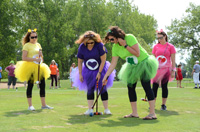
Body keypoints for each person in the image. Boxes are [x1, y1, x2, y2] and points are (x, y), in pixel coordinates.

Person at [102, 26, 158, 120]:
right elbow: (113, 64)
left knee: (146, 86)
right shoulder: (115, 47)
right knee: (130, 87)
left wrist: (125, 45)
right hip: (132, 65)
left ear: (117, 36)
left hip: (144, 63)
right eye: (109, 40)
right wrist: (106, 76)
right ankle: (134, 113)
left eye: (112, 39)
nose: (111, 41)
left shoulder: (129, 37)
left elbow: (137, 54)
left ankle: (152, 113)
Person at [73, 31, 116, 115]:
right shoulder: (82, 47)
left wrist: (99, 73)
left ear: (95, 40)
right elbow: (79, 61)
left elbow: (103, 60)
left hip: (101, 68)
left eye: (91, 42)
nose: (89, 44)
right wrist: (80, 73)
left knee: (103, 89)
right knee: (90, 89)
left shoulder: (99, 45)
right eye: (87, 43)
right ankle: (90, 109)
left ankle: (106, 109)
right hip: (88, 70)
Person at [14, 28, 53, 111]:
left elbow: (41, 58)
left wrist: (41, 55)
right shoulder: (26, 45)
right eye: (32, 37)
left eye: (35, 37)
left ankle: (44, 104)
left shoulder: (38, 45)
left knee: (43, 85)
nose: (34, 38)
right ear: (29, 38)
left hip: (39, 67)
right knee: (30, 85)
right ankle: (30, 106)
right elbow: (24, 58)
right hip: (29, 67)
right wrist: (35, 59)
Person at [152, 29, 176, 111]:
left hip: (166, 70)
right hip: (156, 70)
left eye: (161, 38)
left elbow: (173, 60)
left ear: (165, 36)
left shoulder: (171, 47)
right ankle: (152, 104)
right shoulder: (155, 46)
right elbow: (153, 58)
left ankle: (163, 105)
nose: (159, 40)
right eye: (158, 38)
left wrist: (173, 70)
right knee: (154, 87)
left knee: (164, 87)